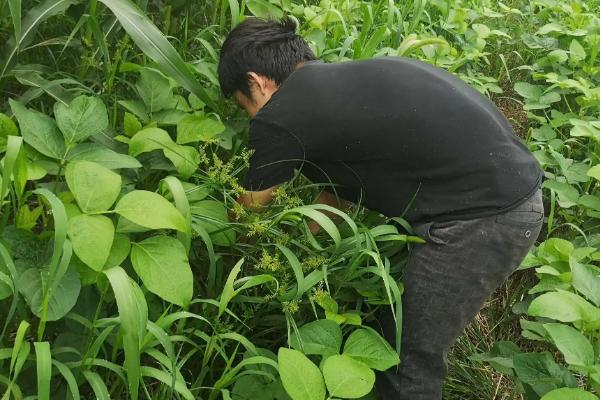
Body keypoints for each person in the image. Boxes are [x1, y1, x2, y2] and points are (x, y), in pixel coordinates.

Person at [217, 17, 544, 400]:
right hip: (509, 197)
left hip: (483, 219)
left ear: (256, 82)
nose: (255, 118)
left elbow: (247, 210)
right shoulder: (340, 89)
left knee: (407, 359)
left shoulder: (282, 113)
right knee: (400, 338)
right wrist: (302, 256)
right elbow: (336, 197)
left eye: (247, 108)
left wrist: (229, 266)